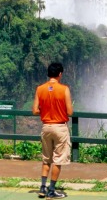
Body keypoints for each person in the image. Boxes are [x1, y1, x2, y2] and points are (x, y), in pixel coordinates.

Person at [32, 62, 73, 199]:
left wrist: (46, 110)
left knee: (46, 159)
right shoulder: (64, 89)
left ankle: (43, 187)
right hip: (60, 127)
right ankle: (52, 190)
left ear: (48, 74)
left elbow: (35, 110)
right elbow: (70, 112)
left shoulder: (40, 89)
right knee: (58, 160)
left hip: (46, 127)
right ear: (60, 74)